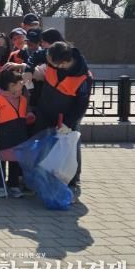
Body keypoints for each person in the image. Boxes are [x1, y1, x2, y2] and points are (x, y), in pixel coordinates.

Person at [32, 41, 92, 200]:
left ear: (63, 63)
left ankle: (70, 183)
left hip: (65, 119)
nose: (47, 62)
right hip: (45, 114)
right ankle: (42, 182)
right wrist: (28, 69)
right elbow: (36, 56)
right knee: (44, 150)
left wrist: (69, 123)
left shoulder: (83, 78)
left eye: (51, 62)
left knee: (68, 152)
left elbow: (81, 105)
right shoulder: (53, 56)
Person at [0, 70, 35, 198]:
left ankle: (14, 185)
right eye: (20, 83)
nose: (22, 84)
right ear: (11, 85)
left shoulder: (23, 99)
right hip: (3, 136)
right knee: (0, 162)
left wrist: (29, 116)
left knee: (15, 162)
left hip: (19, 135)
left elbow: (27, 110)